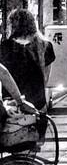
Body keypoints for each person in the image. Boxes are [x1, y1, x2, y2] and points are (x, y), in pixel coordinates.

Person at [0, 9, 54, 145]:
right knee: (30, 147)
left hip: (11, 106)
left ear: (12, 25)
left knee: (13, 143)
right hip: (36, 104)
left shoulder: (4, 47)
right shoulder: (45, 46)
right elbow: (46, 79)